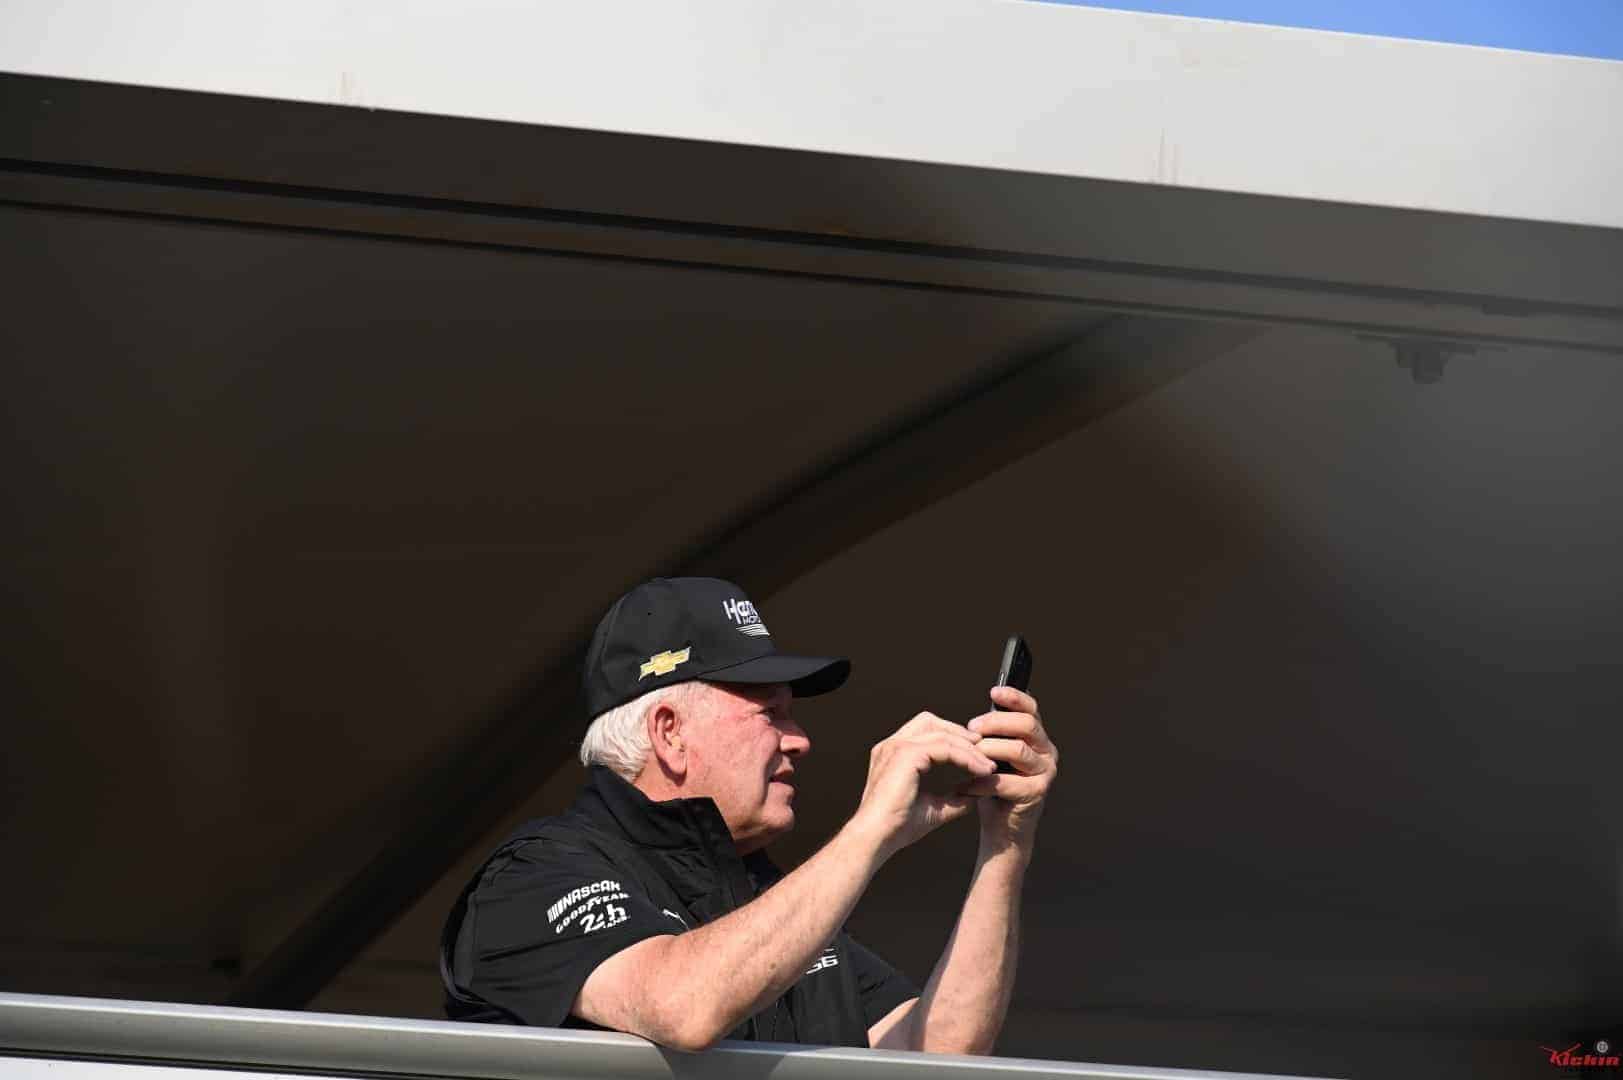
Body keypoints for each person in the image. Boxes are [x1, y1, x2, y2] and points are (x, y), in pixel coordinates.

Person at [440, 576, 1058, 1053]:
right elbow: (682, 1007)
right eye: (771, 713)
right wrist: (871, 828)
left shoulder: (765, 896)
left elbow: (938, 1052)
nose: (800, 740)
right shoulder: (533, 875)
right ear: (669, 733)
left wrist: (1005, 844)